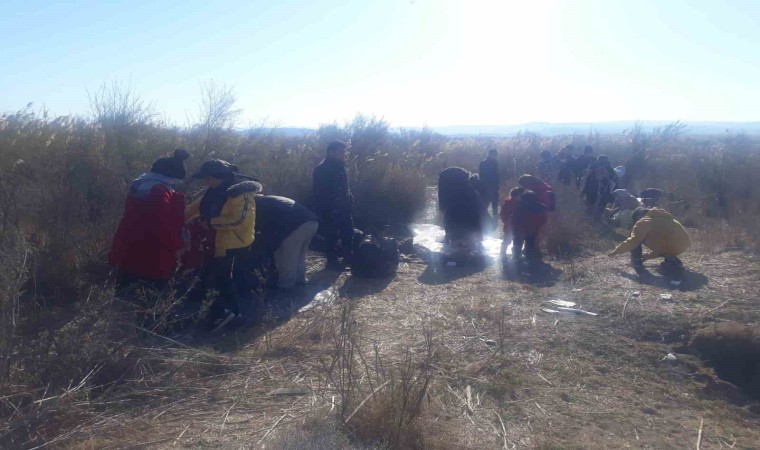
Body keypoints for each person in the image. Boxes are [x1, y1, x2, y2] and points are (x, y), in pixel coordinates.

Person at [185, 160, 261, 332]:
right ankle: (224, 313)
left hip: (234, 244)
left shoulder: (241, 194)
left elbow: (239, 220)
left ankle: (232, 316)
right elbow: (193, 209)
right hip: (214, 242)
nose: (206, 182)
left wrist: (210, 223)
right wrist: (177, 222)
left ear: (219, 177)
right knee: (216, 278)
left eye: (209, 178)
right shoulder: (212, 192)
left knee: (223, 279)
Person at [110, 149, 190, 290]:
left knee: (125, 290)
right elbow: (165, 225)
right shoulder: (160, 192)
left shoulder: (140, 185)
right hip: (153, 255)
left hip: (129, 247)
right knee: (149, 295)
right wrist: (179, 244)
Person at [609, 207, 691, 286]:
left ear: (638, 217)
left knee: (636, 237)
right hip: (682, 246)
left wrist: (616, 251)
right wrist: (646, 257)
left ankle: (636, 262)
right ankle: (672, 260)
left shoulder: (643, 221)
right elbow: (662, 244)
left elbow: (633, 241)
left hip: (670, 245)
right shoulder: (666, 218)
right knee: (650, 237)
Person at [254, 194, 319, 289]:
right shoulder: (270, 199)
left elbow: (264, 227)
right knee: (299, 256)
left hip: (296, 225)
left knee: (286, 257)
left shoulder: (258, 205)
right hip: (312, 222)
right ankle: (300, 281)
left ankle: (285, 287)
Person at [312, 140, 354, 269]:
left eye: (344, 152)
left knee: (348, 233)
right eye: (340, 152)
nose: (343, 155)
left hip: (344, 207)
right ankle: (332, 261)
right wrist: (333, 204)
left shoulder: (340, 167)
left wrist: (350, 198)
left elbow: (345, 186)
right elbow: (321, 191)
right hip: (330, 209)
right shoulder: (321, 169)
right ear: (331, 152)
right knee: (331, 235)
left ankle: (348, 258)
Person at [438, 167, 486, 254]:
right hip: (468, 225)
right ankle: (464, 253)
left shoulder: (449, 193)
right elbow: (479, 210)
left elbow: (446, 211)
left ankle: (457, 253)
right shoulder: (470, 192)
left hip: (457, 226)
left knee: (457, 245)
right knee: (466, 244)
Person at [511, 190, 548, 262]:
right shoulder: (540, 207)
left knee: (517, 244)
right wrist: (539, 226)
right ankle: (529, 259)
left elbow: (514, 219)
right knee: (530, 244)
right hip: (532, 230)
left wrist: (514, 228)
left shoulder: (520, 206)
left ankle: (516, 258)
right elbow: (543, 218)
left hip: (520, 229)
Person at [499, 187, 524, 259]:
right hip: (509, 226)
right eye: (520, 196)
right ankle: (503, 252)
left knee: (518, 240)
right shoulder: (508, 204)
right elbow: (503, 214)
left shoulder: (522, 204)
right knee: (507, 240)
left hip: (519, 226)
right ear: (514, 196)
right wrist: (506, 220)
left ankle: (516, 253)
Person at [478, 149, 500, 216]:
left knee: (494, 202)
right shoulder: (484, 163)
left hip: (492, 185)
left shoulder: (494, 162)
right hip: (487, 185)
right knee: (487, 202)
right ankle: (485, 216)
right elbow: (482, 174)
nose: (495, 156)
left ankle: (493, 216)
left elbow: (497, 174)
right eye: (494, 155)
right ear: (490, 154)